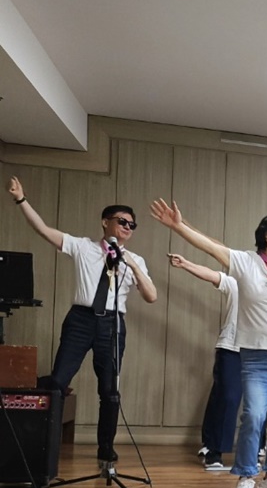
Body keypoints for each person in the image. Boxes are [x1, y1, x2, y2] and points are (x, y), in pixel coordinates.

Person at [151, 200, 267, 488]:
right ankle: (247, 477)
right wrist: (178, 226)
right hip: (257, 356)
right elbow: (210, 248)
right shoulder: (246, 262)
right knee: (254, 415)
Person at [9, 176, 158, 465]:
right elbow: (43, 230)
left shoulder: (134, 260)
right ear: (105, 222)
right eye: (122, 221)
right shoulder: (83, 247)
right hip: (81, 320)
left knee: (109, 390)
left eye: (132, 225)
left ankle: (106, 449)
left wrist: (132, 265)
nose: (127, 227)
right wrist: (21, 200)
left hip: (112, 324)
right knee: (58, 381)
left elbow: (151, 296)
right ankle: (45, 447)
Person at [167, 253, 267, 472]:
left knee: (259, 401)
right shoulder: (236, 282)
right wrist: (186, 263)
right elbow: (212, 276)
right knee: (228, 397)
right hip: (231, 348)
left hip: (260, 351)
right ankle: (214, 450)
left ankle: (255, 449)